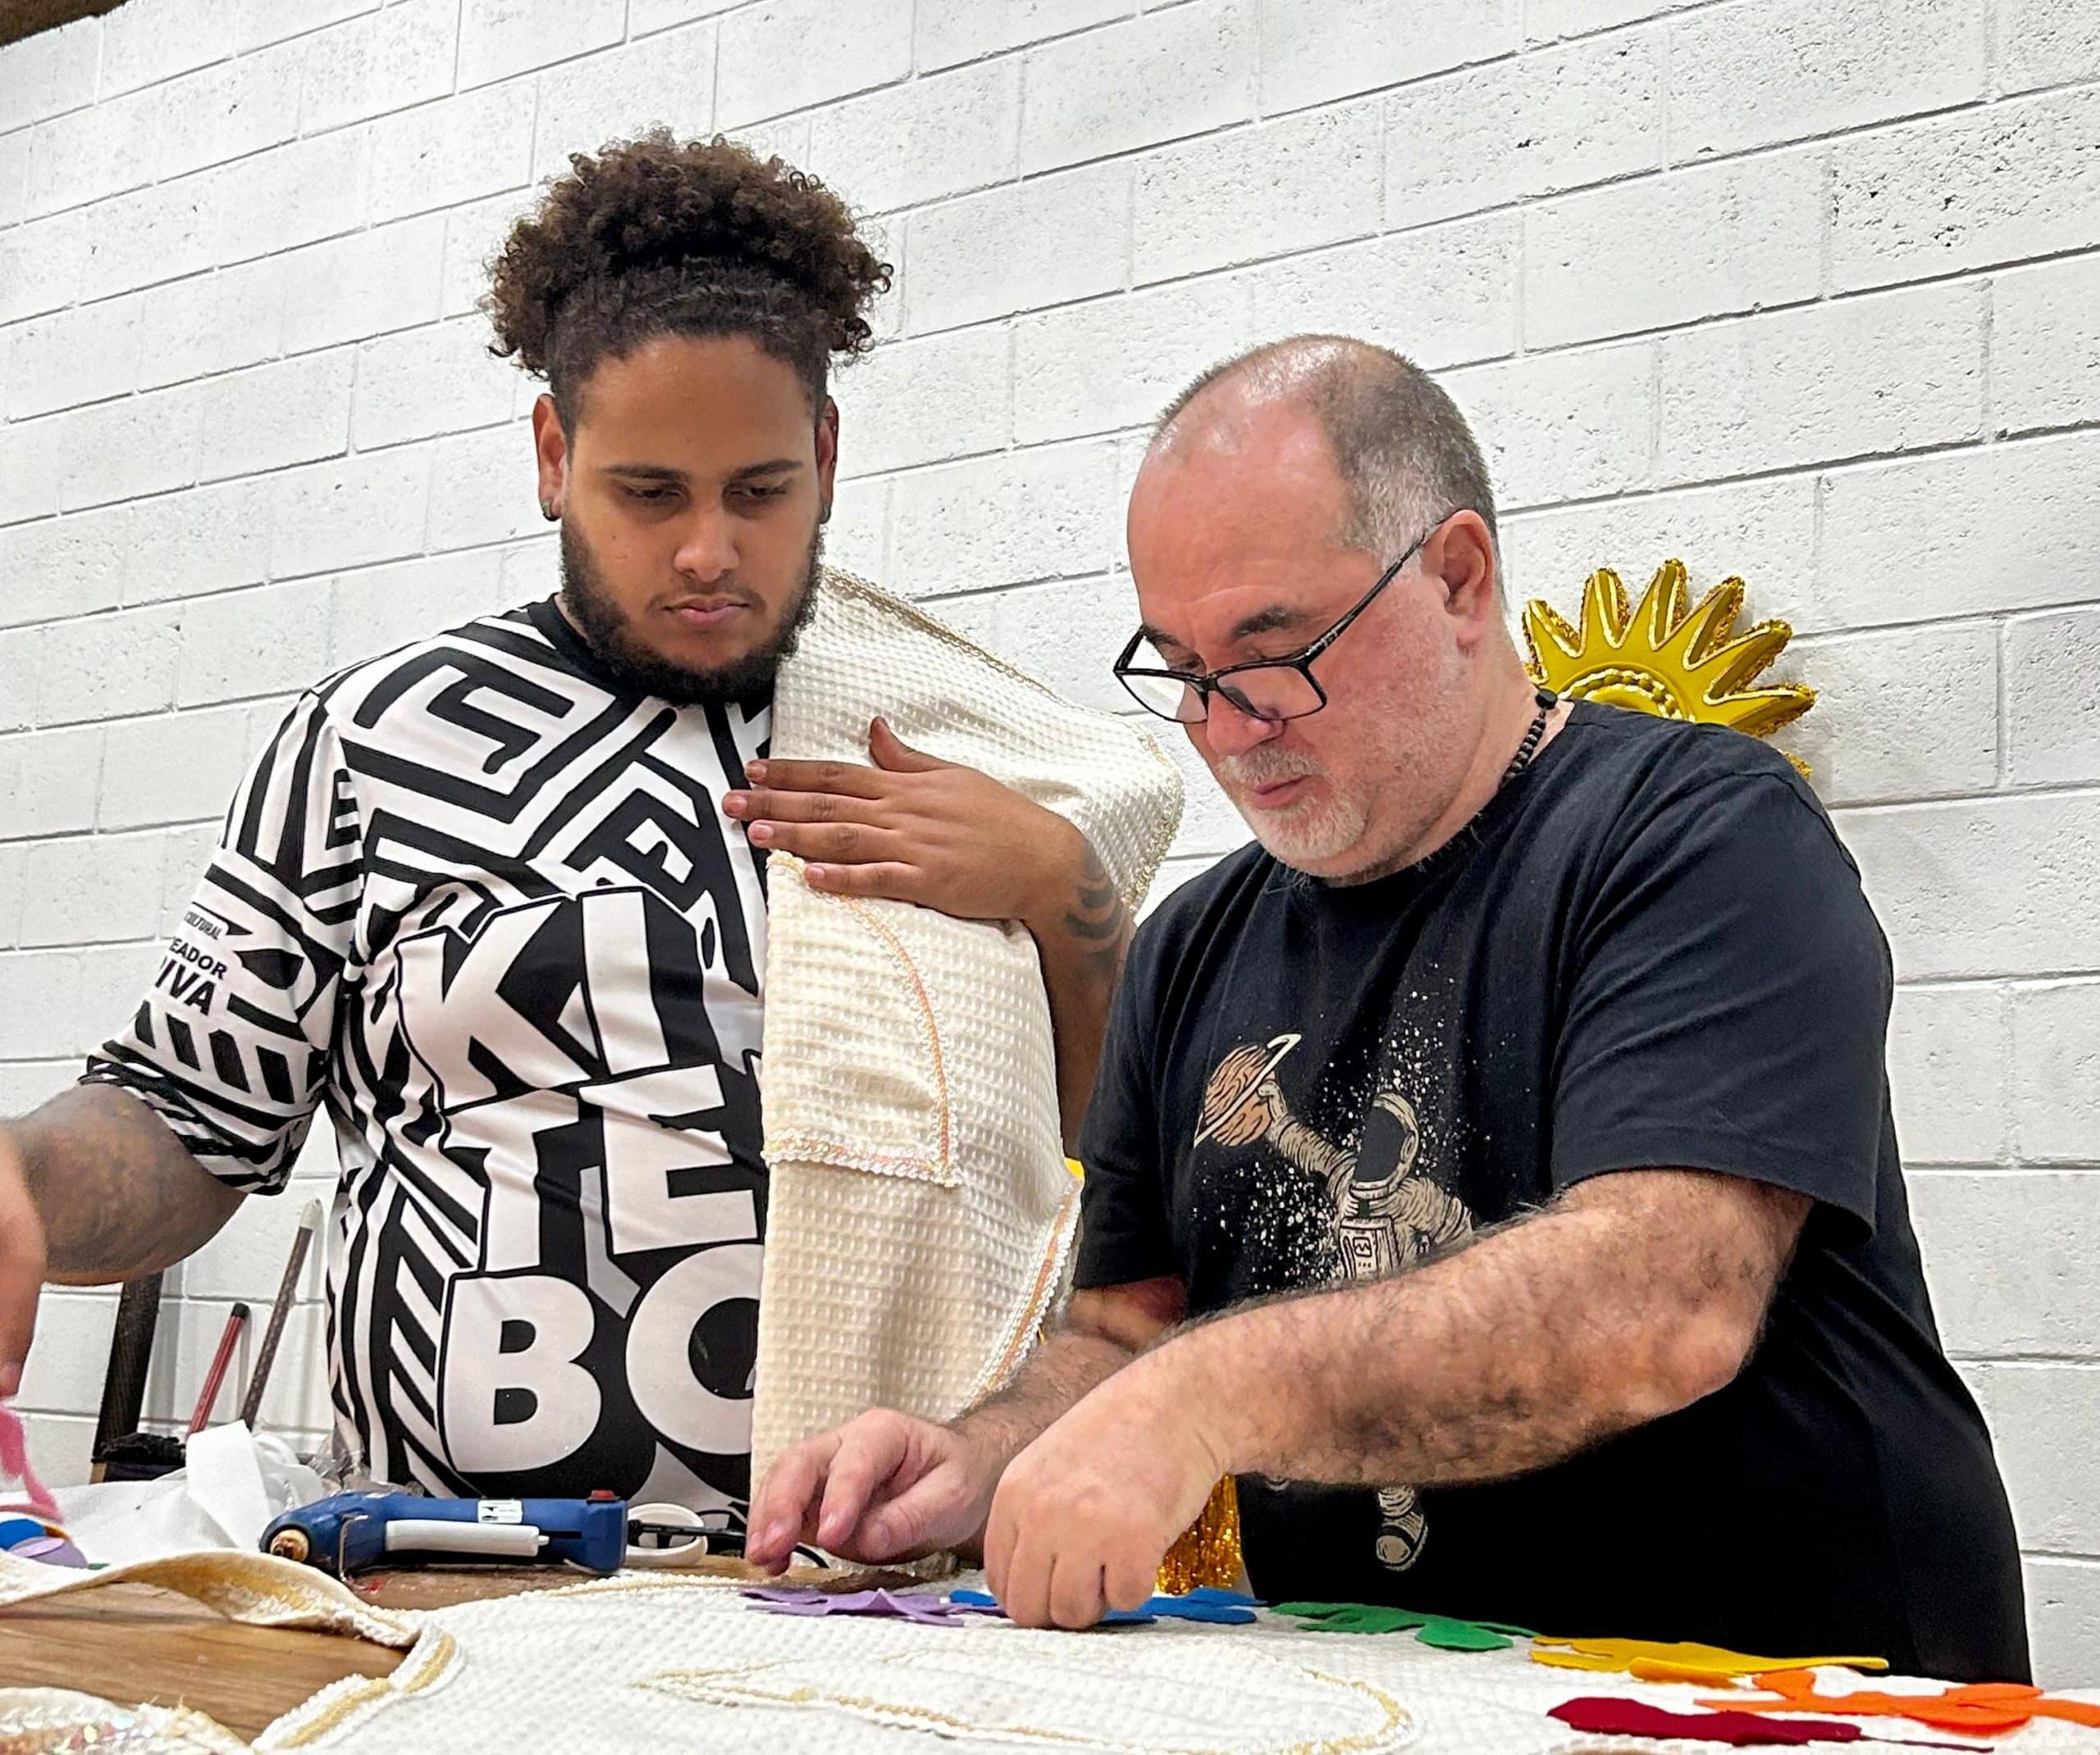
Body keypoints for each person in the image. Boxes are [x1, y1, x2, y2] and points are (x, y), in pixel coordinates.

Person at [746, 335, 2030, 1684]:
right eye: (1182, 670)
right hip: (1399, 1689)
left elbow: (1663, 1303)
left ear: (1459, 578)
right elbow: (1126, 1335)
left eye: (1277, 650)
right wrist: (979, 1458)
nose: (1231, 728)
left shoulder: (1698, 835)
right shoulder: (1189, 946)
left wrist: (1202, 1399)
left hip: (1793, 1693)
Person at [0, 135, 1175, 1521]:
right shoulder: (374, 743)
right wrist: (19, 1180)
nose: (707, 553)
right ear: (556, 456)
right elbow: (186, 1118)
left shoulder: (971, 740)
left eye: (759, 490)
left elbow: (1119, 1170)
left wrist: (1062, 890)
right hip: (443, 1576)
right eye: (649, 492)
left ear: (829, 457)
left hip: (881, 1588)